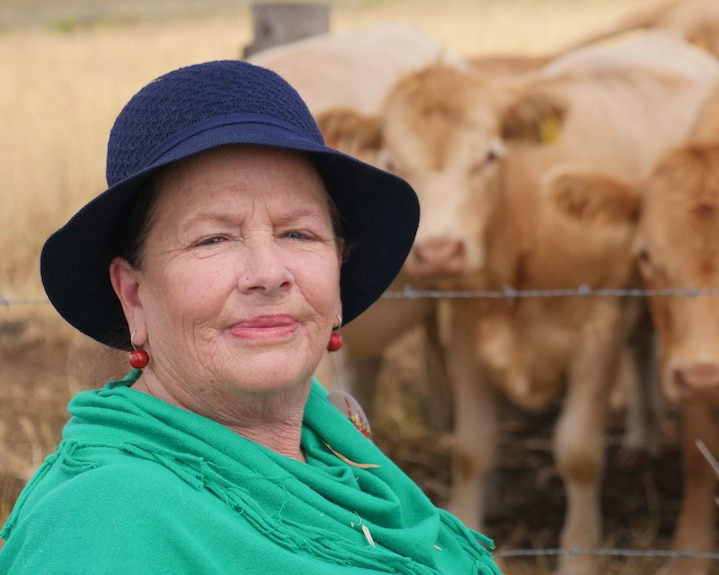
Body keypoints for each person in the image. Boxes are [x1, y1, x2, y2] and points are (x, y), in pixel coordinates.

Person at [0, 60, 501, 575]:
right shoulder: (99, 527)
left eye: (298, 234)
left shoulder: (338, 443)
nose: (268, 273)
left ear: (338, 278)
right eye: (213, 239)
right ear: (134, 295)